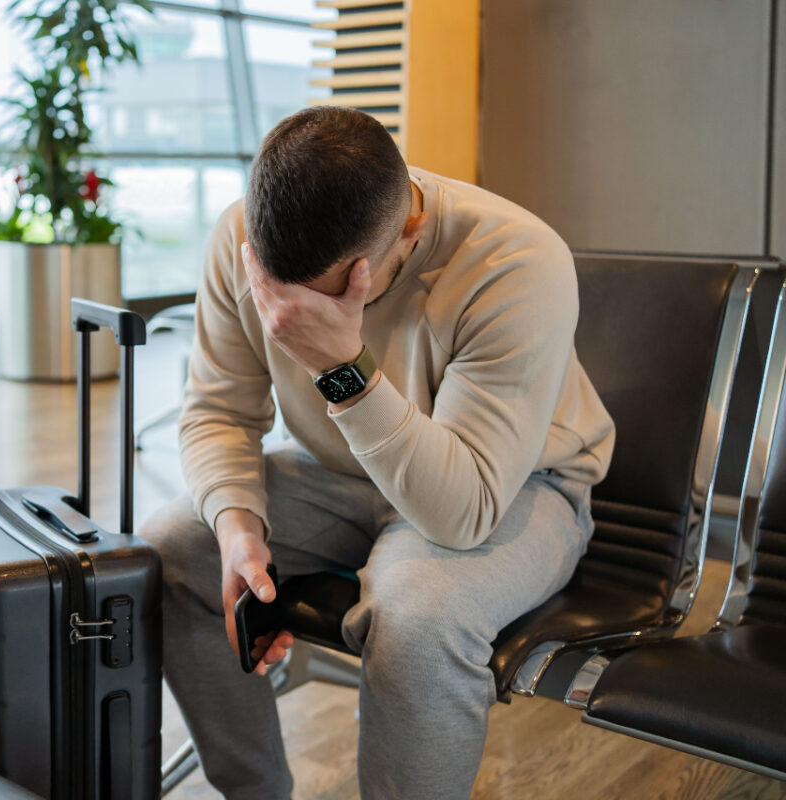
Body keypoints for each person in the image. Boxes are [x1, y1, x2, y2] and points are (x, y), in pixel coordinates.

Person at [139, 105, 616, 800]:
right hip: (340, 474)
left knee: (416, 619)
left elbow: (462, 511)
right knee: (173, 548)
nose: (289, 317)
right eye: (279, 297)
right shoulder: (239, 238)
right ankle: (254, 792)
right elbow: (218, 409)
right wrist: (237, 529)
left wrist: (343, 367)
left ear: (410, 233)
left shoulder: (517, 262)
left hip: (518, 488)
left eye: (324, 301)